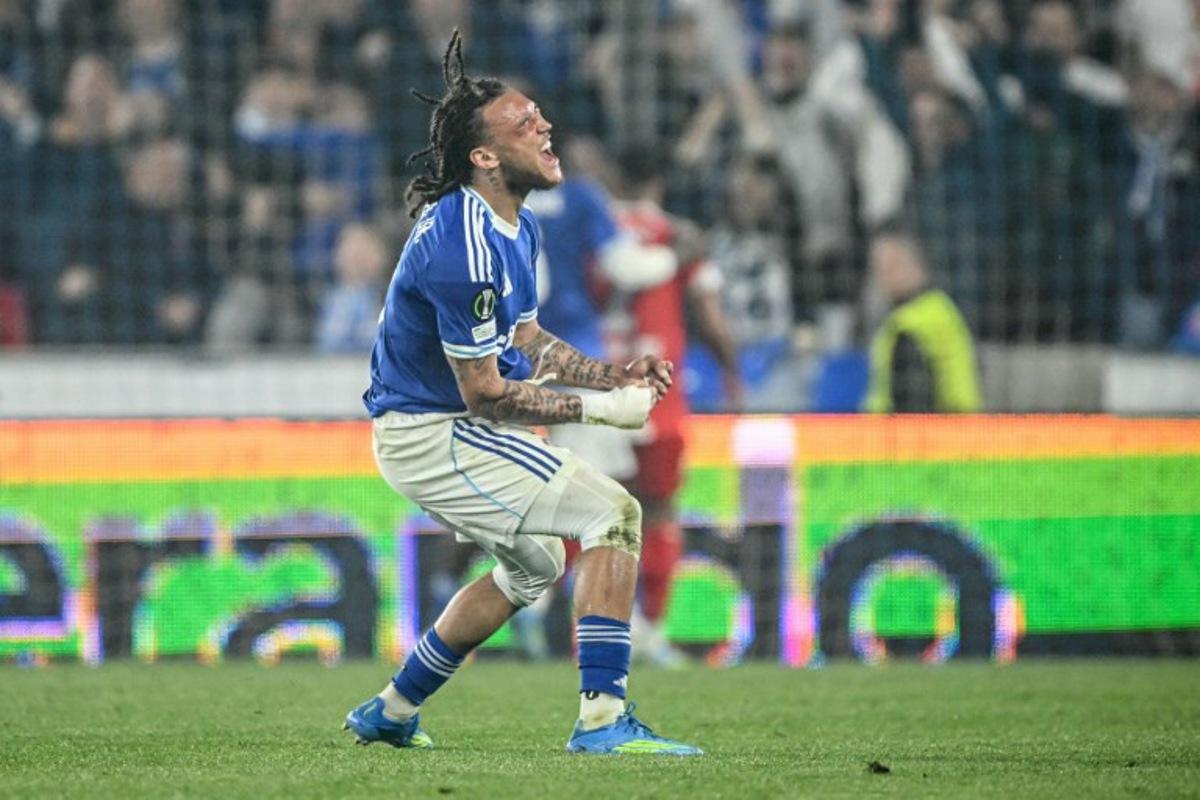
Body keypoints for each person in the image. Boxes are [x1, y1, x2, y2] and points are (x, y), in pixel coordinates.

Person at [343, 31, 701, 757]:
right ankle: (602, 720)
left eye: (540, 115)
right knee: (615, 512)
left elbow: (531, 340)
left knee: (537, 565)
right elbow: (487, 396)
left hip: (443, 425)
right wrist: (597, 409)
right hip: (430, 431)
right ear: (483, 156)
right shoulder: (462, 246)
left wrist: (611, 374)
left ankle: (392, 707)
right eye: (523, 123)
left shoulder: (518, 226)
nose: (545, 128)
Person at [608, 146, 742, 665]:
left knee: (601, 511)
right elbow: (709, 317)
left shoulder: (597, 230)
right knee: (660, 511)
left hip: (601, 391)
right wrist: (731, 371)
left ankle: (614, 626)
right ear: (661, 183)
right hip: (659, 397)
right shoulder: (681, 238)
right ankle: (656, 629)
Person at [862, 233, 982, 413]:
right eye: (878, 268)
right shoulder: (941, 308)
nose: (883, 276)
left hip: (925, 435)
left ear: (915, 264)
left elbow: (912, 400)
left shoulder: (909, 326)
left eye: (891, 266)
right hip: (961, 431)